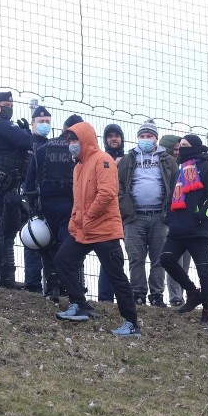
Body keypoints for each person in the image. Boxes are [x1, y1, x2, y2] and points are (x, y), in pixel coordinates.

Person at [53, 121, 140, 338]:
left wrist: (86, 217)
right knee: (63, 260)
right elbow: (78, 200)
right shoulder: (79, 167)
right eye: (69, 140)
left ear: (85, 139)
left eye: (75, 140)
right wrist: (75, 221)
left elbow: (107, 194)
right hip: (84, 230)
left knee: (116, 275)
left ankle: (131, 323)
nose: (72, 144)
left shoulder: (103, 161)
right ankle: (79, 304)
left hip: (104, 231)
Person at [159, 135, 208, 323]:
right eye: (180, 146)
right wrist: (170, 218)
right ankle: (193, 292)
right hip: (178, 229)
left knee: (205, 271)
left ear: (195, 147)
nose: (181, 149)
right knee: (166, 258)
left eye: (185, 146)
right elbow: (172, 196)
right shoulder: (179, 170)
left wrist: (201, 215)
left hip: (199, 230)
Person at [0, 91, 33, 288]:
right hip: (0, 182)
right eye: (5, 105)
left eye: (11, 105)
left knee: (2, 226)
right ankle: (6, 277)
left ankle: (1, 276)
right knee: (5, 227)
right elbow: (25, 141)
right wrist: (26, 133)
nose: (9, 109)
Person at [118, 119, 176, 307]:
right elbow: (118, 185)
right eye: (142, 136)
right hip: (134, 217)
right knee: (136, 258)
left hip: (160, 216)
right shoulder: (128, 159)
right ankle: (138, 293)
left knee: (159, 258)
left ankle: (157, 294)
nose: (145, 139)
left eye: (149, 136)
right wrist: (124, 207)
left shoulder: (168, 160)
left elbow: (176, 185)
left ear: (156, 139)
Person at [24, 115, 76, 301]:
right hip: (70, 204)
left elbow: (30, 179)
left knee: (46, 244)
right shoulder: (77, 152)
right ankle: (68, 286)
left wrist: (30, 203)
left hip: (45, 203)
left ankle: (51, 284)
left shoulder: (43, 148)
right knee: (68, 244)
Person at [21, 104, 52, 293]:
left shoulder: (49, 145)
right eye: (41, 121)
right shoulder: (26, 144)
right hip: (31, 196)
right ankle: (32, 282)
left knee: (48, 239)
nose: (44, 124)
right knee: (32, 237)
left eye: (47, 122)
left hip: (47, 197)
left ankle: (50, 282)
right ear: (33, 123)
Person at [159, 134, 191, 307]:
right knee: (173, 258)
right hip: (170, 218)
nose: (179, 153)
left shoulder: (188, 167)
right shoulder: (164, 169)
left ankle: (182, 293)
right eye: (176, 149)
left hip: (186, 219)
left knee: (185, 259)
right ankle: (175, 295)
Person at [97, 122, 124, 302]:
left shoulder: (129, 159)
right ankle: (106, 297)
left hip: (126, 212)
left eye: (116, 136)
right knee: (109, 255)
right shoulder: (100, 159)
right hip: (106, 212)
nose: (113, 139)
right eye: (110, 136)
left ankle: (135, 296)